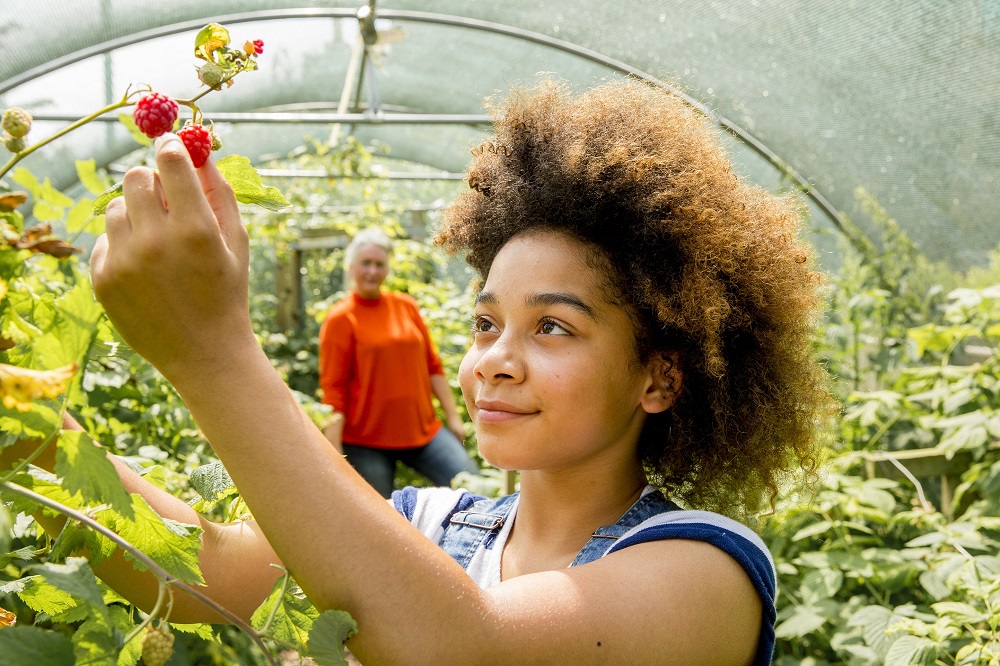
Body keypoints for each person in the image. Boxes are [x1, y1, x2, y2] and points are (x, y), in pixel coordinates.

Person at [5, 77, 833, 665]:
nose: (495, 361)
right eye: (484, 322)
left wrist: (213, 353)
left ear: (659, 378)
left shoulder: (705, 571)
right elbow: (208, 568)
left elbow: (463, 647)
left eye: (552, 326)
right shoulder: (428, 523)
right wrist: (31, 427)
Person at [318, 227, 480, 497]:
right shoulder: (341, 318)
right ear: (351, 267)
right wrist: (333, 447)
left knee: (473, 488)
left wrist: (453, 417)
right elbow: (333, 388)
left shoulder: (406, 306)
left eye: (379, 264)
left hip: (423, 432)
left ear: (387, 269)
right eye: (365, 263)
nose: (372, 271)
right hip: (366, 441)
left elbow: (433, 365)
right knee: (380, 517)